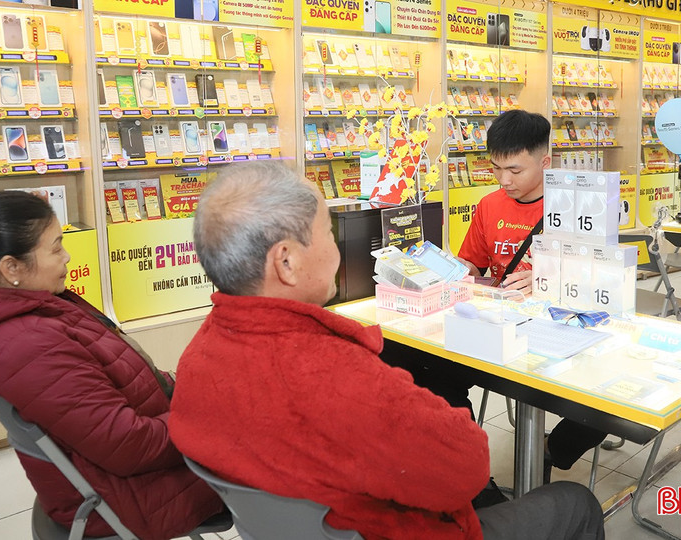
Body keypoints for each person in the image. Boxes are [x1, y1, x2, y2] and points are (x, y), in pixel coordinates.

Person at [169, 161, 604, 539]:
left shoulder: (196, 359)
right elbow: (468, 468)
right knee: (575, 502)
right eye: (328, 232)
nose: (336, 246)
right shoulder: (335, 374)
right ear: (286, 262)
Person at [0, 191, 224, 540]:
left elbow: (118, 379)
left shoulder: (33, 308)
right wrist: (207, 422)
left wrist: (190, 394)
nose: (67, 256)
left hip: (127, 465)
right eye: (56, 248)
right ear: (12, 268)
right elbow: (128, 446)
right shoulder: (26, 346)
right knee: (266, 456)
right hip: (128, 495)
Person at [457, 109, 607, 478]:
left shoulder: (576, 205)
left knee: (608, 400)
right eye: (496, 168)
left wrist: (548, 279)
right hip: (499, 328)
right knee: (426, 373)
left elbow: (601, 280)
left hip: (562, 330)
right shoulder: (489, 206)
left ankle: (551, 449)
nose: (503, 180)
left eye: (515, 170)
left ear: (545, 162)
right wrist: (453, 271)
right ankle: (469, 471)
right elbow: (472, 266)